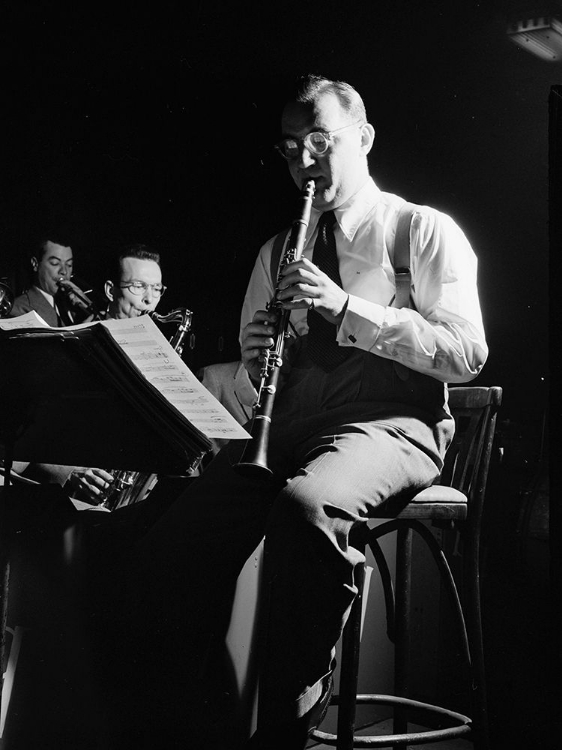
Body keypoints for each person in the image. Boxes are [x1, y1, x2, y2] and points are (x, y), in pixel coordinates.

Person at [103, 75, 488, 750]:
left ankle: (290, 718)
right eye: (288, 149)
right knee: (173, 533)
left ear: (362, 139)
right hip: (293, 431)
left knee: (307, 508)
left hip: (393, 427)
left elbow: (466, 353)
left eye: (319, 142)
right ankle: (200, 718)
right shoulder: (277, 250)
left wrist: (346, 308)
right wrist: (257, 357)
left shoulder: (421, 231)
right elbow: (263, 382)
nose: (303, 163)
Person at [6, 244, 167, 503]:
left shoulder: (161, 359)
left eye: (156, 288)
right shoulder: (73, 348)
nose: (150, 299)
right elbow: (23, 437)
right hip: (67, 503)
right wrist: (67, 472)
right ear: (110, 291)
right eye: (138, 286)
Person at [9, 235, 90, 326]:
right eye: (55, 263)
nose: (64, 271)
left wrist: (88, 308)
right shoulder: (18, 309)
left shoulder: (74, 305)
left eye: (69, 265)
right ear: (35, 264)